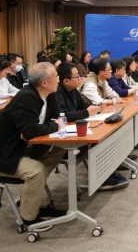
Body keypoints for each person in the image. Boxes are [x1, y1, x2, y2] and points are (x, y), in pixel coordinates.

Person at [0, 63, 67, 230]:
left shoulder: (49, 94)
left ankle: (31, 199)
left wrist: (50, 125)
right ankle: (28, 218)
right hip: (0, 155)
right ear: (44, 83)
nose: (58, 80)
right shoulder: (26, 97)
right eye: (56, 77)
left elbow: (57, 118)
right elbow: (33, 130)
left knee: (59, 149)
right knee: (36, 172)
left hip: (22, 147)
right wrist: (54, 126)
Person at [55, 63, 129, 191]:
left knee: (105, 133)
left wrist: (96, 109)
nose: (80, 78)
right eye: (77, 76)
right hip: (63, 137)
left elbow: (83, 106)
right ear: (66, 81)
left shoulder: (73, 91)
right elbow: (63, 115)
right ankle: (100, 177)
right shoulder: (57, 94)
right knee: (98, 140)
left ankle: (108, 170)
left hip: (75, 129)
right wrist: (87, 112)